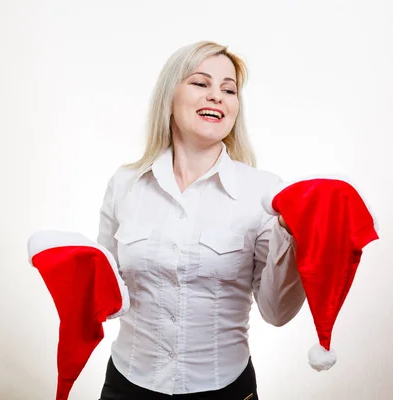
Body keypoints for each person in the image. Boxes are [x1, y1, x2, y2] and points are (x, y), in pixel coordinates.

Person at [96, 40, 306, 400]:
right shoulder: (125, 185)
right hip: (128, 384)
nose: (217, 96)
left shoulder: (266, 194)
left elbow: (277, 312)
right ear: (170, 95)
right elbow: (105, 297)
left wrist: (294, 234)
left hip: (224, 389)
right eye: (200, 83)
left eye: (229, 90)